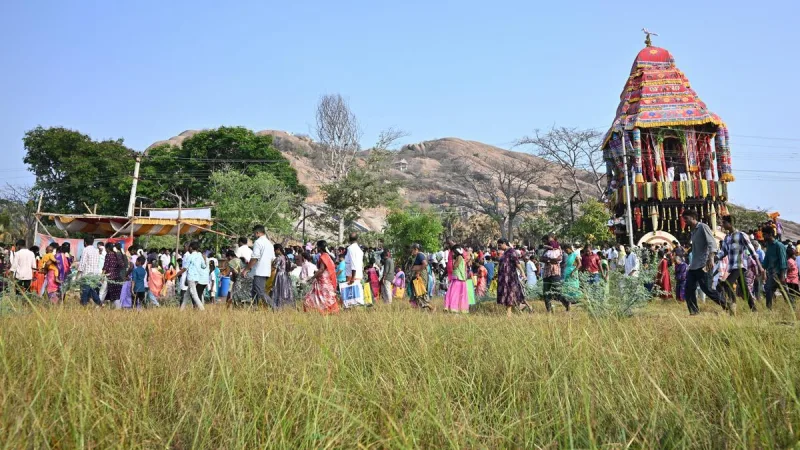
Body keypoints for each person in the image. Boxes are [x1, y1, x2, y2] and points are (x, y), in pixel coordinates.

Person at [682, 209, 727, 315]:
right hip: (693, 266)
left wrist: (711, 258)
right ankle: (694, 312)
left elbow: (712, 243)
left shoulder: (703, 227)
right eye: (684, 219)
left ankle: (727, 305)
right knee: (688, 289)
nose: (685, 221)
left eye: (686, 219)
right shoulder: (693, 231)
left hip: (704, 264)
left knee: (707, 289)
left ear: (693, 217)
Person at [719, 215, 763, 312]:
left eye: (724, 223)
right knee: (744, 289)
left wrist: (760, 266)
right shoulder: (726, 238)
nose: (722, 225)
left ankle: (732, 306)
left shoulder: (741, 235)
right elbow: (723, 252)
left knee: (728, 284)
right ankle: (754, 310)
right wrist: (714, 258)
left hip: (740, 265)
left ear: (730, 224)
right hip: (731, 267)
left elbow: (752, 251)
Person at [303, 240, 340, 314]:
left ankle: (320, 312)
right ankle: (325, 313)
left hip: (323, 282)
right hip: (326, 281)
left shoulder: (323, 256)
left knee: (315, 298)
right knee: (325, 298)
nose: (316, 248)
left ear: (320, 248)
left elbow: (322, 269)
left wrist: (312, 278)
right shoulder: (328, 256)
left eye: (317, 246)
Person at [242, 225, 274, 308]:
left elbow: (255, 258)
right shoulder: (269, 244)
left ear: (257, 233)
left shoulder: (258, 242)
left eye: (254, 233)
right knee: (254, 292)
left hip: (259, 271)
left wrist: (246, 269)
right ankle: (254, 308)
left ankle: (274, 307)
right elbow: (272, 259)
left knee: (260, 291)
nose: (254, 235)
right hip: (266, 271)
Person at [496, 238, 526, 316]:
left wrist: (522, 272)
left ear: (504, 243)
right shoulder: (505, 252)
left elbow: (517, 263)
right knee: (507, 294)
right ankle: (519, 306)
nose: (499, 247)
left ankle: (509, 314)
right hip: (503, 277)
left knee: (510, 293)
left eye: (500, 245)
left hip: (510, 277)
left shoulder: (512, 251)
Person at [762, 226, 788, 310]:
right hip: (771, 273)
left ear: (770, 234)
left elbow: (783, 261)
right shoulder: (769, 246)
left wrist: (782, 276)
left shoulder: (779, 245)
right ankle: (770, 309)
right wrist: (761, 269)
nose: (763, 236)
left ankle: (769, 309)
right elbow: (766, 261)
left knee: (769, 288)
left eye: (764, 234)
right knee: (783, 292)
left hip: (778, 273)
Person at [540, 236, 567, 313]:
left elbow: (558, 259)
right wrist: (550, 260)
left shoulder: (558, 249)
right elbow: (541, 259)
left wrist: (548, 260)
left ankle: (567, 303)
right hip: (546, 273)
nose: (545, 243)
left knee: (557, 291)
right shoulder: (545, 251)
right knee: (545, 292)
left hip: (555, 272)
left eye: (546, 241)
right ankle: (549, 310)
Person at [177, 241, 206, 311]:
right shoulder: (200, 256)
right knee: (186, 295)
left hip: (191, 278)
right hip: (197, 278)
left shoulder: (190, 256)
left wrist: (176, 275)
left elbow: (184, 268)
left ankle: (203, 310)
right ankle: (181, 310)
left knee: (194, 295)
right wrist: (203, 259)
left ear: (191, 248)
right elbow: (204, 266)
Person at [77, 237, 103, 306]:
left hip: (87, 274)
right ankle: (100, 303)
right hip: (94, 274)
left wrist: (78, 275)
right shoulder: (96, 250)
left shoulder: (86, 250)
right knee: (92, 291)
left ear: (85, 242)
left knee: (84, 291)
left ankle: (84, 305)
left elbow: (82, 263)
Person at [443, 244, 469, 313]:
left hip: (458, 279)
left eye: (454, 252)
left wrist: (452, 262)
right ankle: (455, 308)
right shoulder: (460, 257)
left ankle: (453, 308)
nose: (453, 254)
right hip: (458, 279)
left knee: (453, 294)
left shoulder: (459, 257)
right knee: (455, 294)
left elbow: (454, 266)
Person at [408, 243, 432, 310]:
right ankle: (420, 308)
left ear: (416, 249)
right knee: (418, 293)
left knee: (420, 292)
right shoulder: (419, 255)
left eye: (412, 250)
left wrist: (418, 269)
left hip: (421, 276)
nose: (411, 251)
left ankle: (430, 308)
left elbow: (425, 264)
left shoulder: (419, 255)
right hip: (419, 275)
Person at [271, 244, 294, 308]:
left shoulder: (279, 258)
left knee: (278, 289)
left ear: (278, 250)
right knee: (285, 290)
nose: (274, 252)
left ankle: (278, 305)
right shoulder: (286, 257)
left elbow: (274, 266)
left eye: (275, 250)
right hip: (285, 275)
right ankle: (285, 304)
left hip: (279, 275)